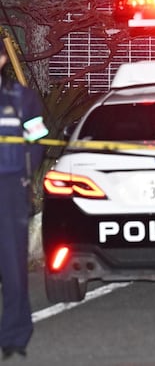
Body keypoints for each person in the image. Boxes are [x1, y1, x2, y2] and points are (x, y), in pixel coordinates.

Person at [0, 40, 47, 360]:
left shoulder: (21, 99)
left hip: (8, 189)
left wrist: (24, 176)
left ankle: (15, 334)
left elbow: (38, 139)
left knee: (13, 265)